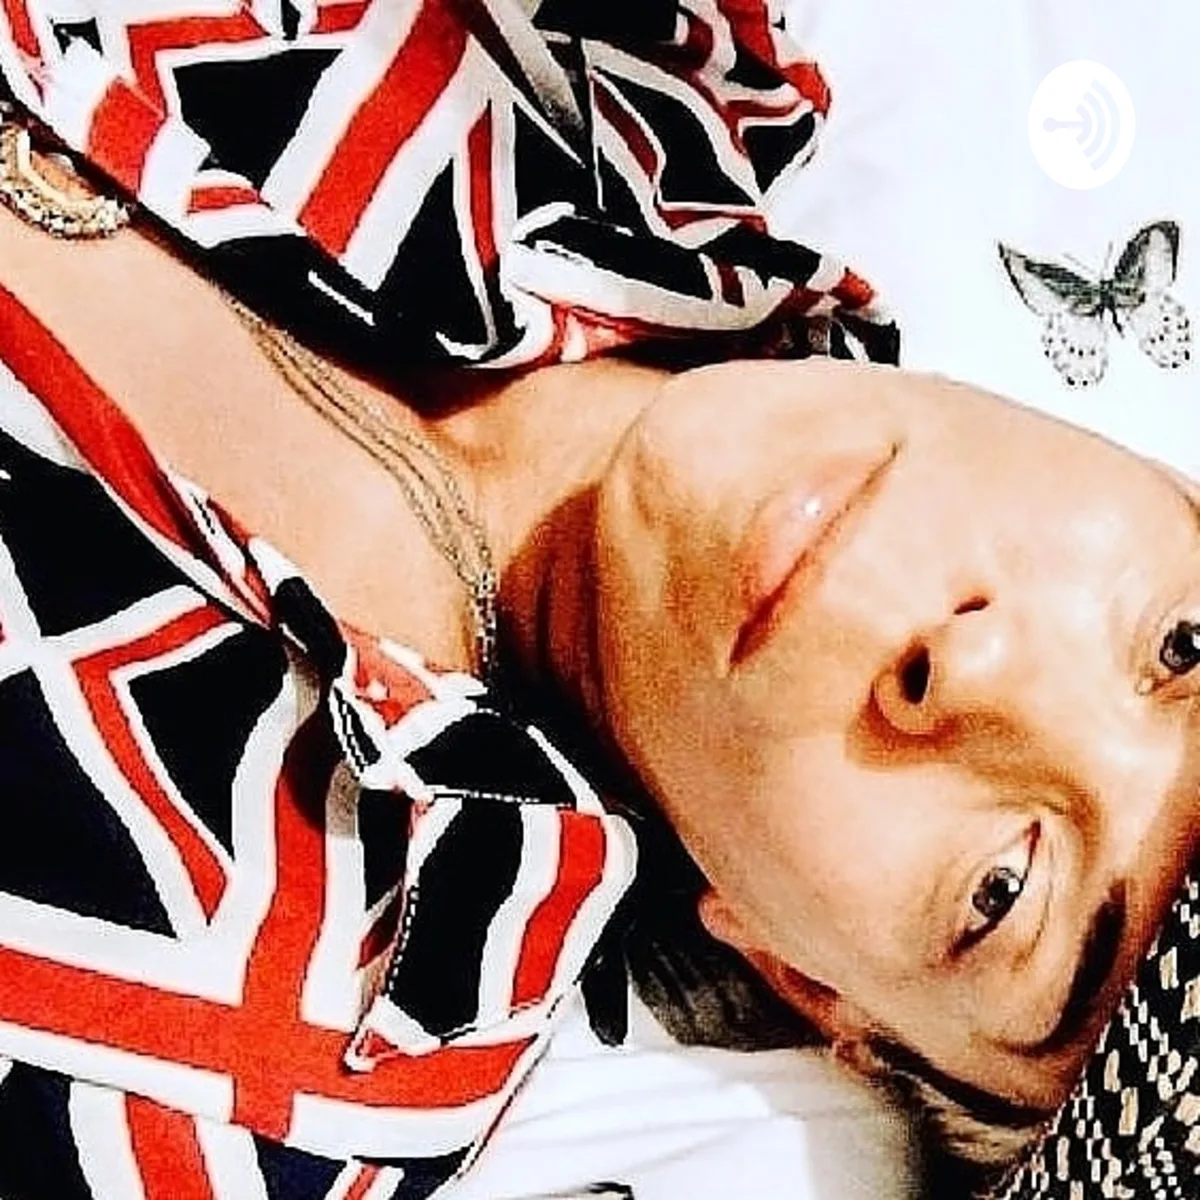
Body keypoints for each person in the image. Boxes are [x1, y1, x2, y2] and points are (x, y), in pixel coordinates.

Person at [0, 2, 1196, 1198]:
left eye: (1000, 893)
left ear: (806, 982)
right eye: (1185, 643)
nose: (977, 670)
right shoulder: (671, 63)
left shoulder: (207, 1076)